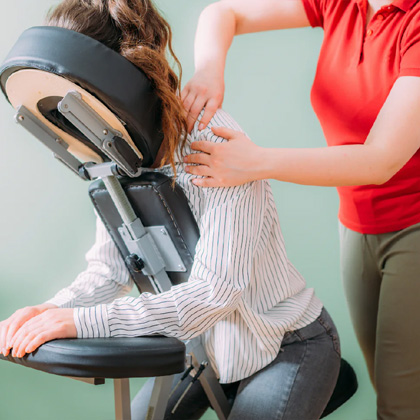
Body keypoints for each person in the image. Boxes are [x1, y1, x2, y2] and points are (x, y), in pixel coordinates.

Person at [0, 1, 341, 419]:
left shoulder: (213, 141)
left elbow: (215, 292)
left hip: (285, 343)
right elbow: (110, 272)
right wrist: (53, 310)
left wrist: (82, 323)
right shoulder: (117, 152)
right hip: (204, 348)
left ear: (115, 83)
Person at [181, 0, 420, 419]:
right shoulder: (343, 3)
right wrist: (208, 70)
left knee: (402, 407)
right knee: (393, 386)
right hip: (357, 224)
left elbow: (380, 160)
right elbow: (222, 13)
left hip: (413, 226)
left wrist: (256, 162)